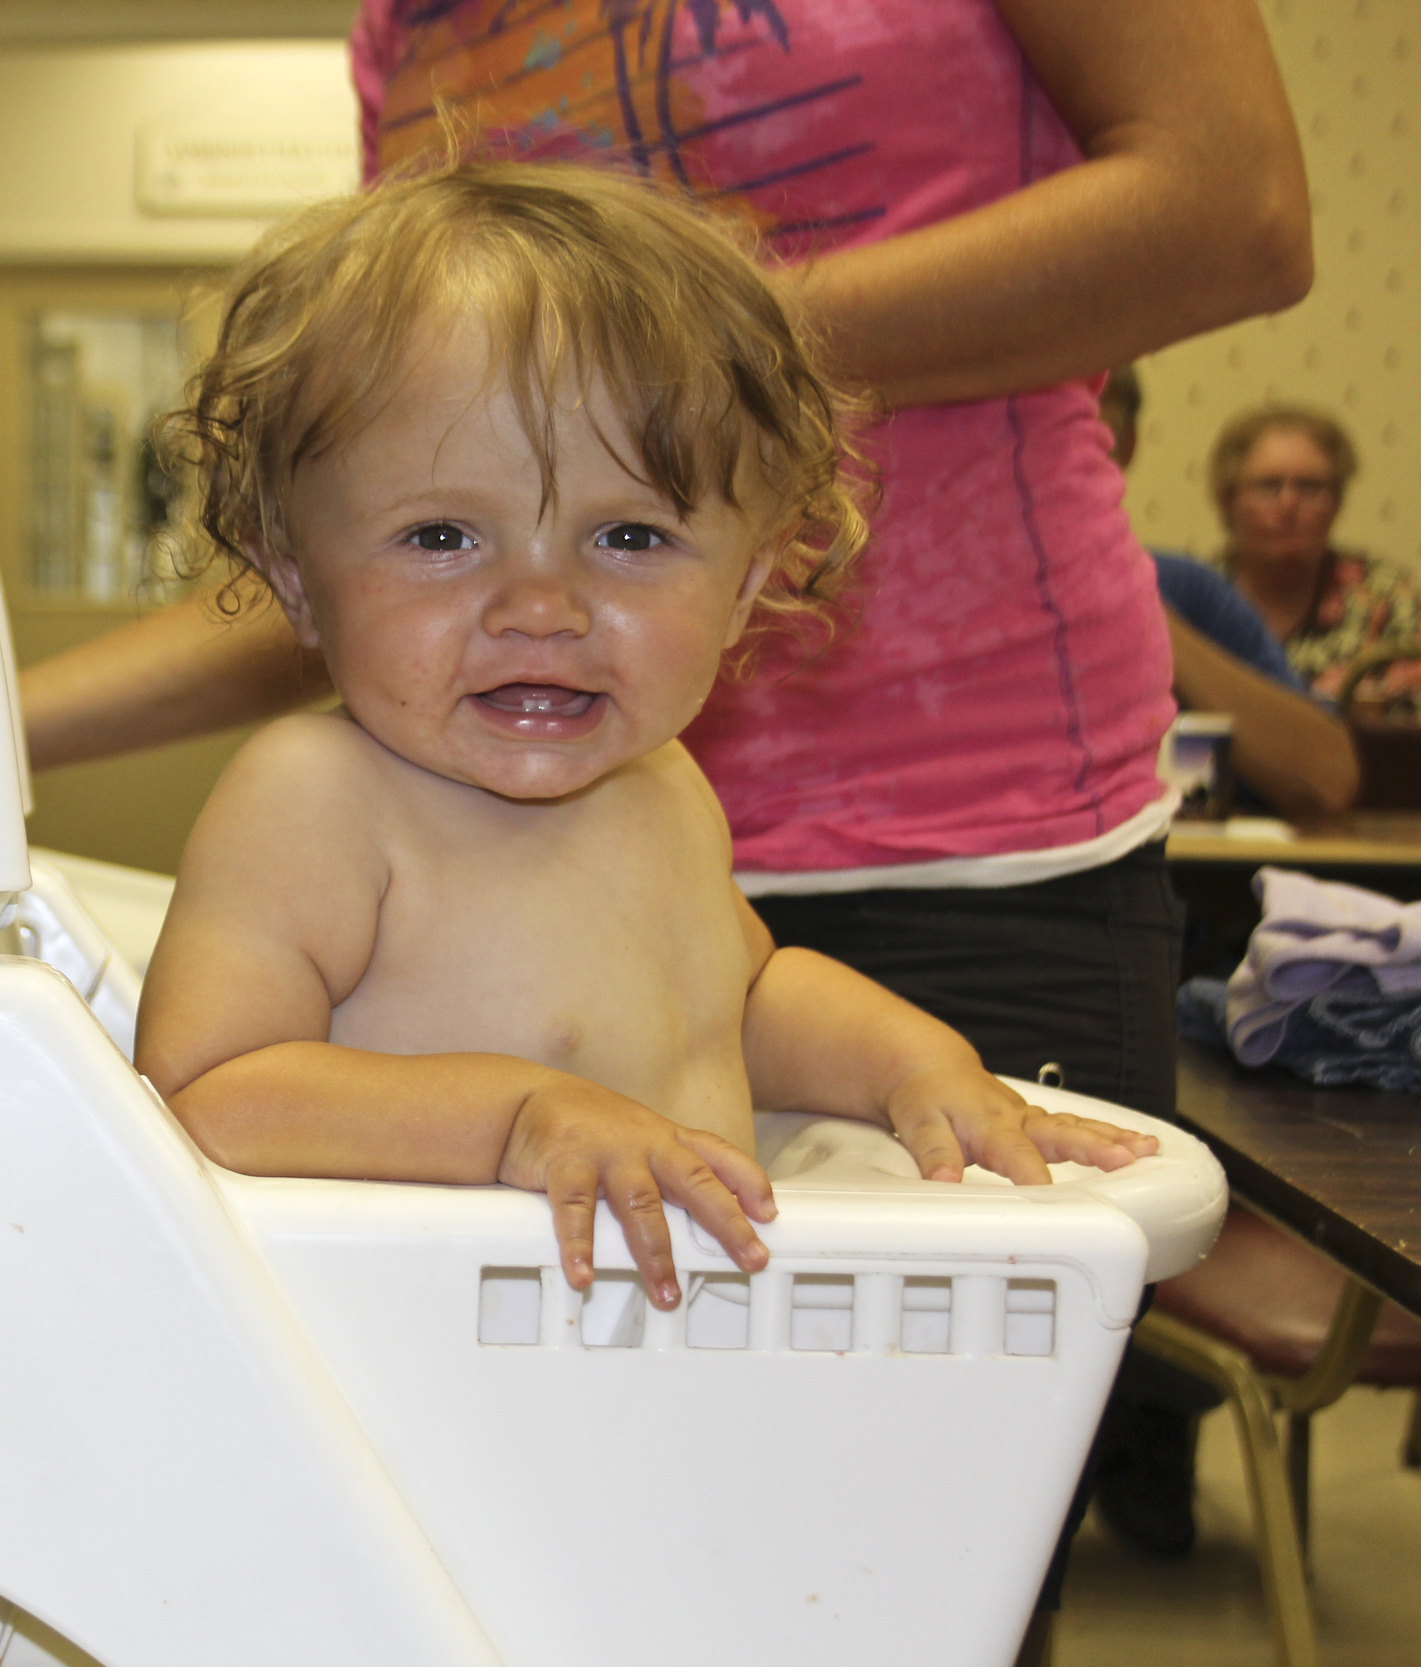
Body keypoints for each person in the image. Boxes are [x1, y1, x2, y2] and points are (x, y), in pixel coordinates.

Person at [134, 162, 1158, 1301]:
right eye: (438, 537)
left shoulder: (664, 784)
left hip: (646, 1357)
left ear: (744, 586)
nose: (541, 606)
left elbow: (748, 1001)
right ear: (297, 577)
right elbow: (204, 1093)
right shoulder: (316, 797)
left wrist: (916, 1066)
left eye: (627, 538)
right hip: (412, 1366)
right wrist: (516, 1116)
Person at [1098, 368, 1358, 818]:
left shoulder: (1183, 588)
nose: (1288, 506)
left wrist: (1139, 608)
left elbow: (1326, 779)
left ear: (1128, 445)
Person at [1212, 406, 1421, 716]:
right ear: (1228, 500)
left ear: (1337, 502)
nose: (1289, 504)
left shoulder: (1388, 601)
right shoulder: (1193, 601)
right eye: (1269, 486)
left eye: (1310, 487)